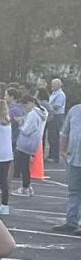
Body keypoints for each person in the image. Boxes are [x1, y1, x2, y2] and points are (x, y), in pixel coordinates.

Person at [53, 99, 81, 234]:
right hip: (74, 159)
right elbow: (65, 132)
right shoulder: (74, 110)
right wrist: (62, 151)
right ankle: (71, 222)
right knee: (73, 191)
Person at [14, 94, 46, 198]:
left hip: (25, 143)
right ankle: (26, 186)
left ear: (30, 103)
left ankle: (26, 187)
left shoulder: (33, 114)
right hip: (32, 143)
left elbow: (27, 130)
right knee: (24, 165)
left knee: (22, 166)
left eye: (25, 106)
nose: (25, 108)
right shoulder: (40, 112)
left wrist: (20, 126)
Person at [46, 78, 66, 162]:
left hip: (57, 116)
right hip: (52, 116)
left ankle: (55, 156)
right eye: (52, 84)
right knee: (50, 136)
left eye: (54, 84)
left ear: (58, 85)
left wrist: (47, 106)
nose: (52, 86)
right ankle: (51, 154)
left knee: (54, 136)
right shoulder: (54, 93)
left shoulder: (60, 94)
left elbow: (57, 106)